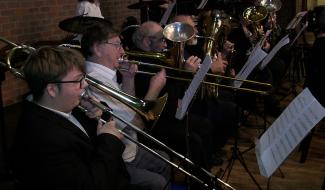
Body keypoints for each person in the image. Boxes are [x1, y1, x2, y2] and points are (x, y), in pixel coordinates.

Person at [11, 46, 132, 190]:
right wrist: (109, 141)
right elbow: (89, 185)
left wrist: (99, 112)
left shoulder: (63, 104)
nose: (85, 84)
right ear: (52, 90)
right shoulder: (43, 138)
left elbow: (91, 132)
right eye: (77, 81)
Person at [81, 21, 171, 190]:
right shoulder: (96, 80)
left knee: (164, 159)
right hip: (121, 157)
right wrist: (154, 89)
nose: (122, 51)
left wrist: (129, 80)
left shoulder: (106, 74)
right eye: (117, 45)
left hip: (129, 148)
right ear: (97, 48)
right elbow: (137, 123)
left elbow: (127, 107)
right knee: (157, 181)